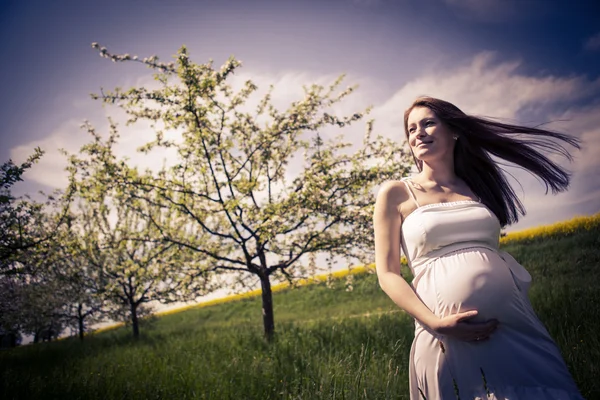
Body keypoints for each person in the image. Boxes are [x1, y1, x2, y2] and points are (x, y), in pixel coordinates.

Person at [373, 96, 585, 399]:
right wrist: (436, 323)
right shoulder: (396, 192)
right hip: (444, 332)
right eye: (411, 129)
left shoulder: (477, 186)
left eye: (428, 123)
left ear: (454, 131)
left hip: (512, 323)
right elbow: (388, 274)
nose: (418, 132)